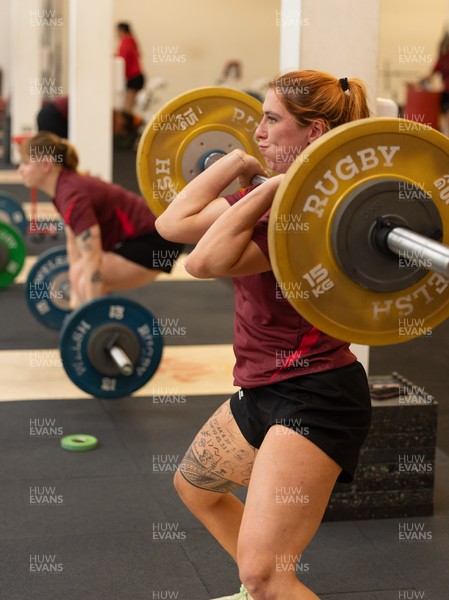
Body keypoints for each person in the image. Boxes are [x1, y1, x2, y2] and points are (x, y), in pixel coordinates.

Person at [155, 70, 373, 599]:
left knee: (267, 573)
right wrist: (241, 166)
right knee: (197, 487)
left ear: (314, 132)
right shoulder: (269, 202)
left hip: (315, 394)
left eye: (272, 121)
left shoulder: (310, 217)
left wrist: (273, 186)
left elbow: (203, 261)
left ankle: (268, 588)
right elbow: (173, 222)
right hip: (263, 387)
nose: (259, 132)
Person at [19, 131, 183, 309]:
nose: (20, 169)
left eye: (26, 163)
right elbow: (73, 249)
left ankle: (98, 322)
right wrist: (74, 297)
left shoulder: (72, 194)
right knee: (80, 276)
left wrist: (87, 310)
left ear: (45, 165)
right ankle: (96, 318)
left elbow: (92, 257)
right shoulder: (63, 190)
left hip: (158, 242)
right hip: (139, 239)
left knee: (86, 280)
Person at [116, 22, 145, 114]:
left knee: (127, 109)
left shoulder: (126, 41)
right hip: (136, 76)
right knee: (129, 108)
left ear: (121, 31)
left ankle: (129, 127)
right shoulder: (132, 40)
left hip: (134, 77)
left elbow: (123, 57)